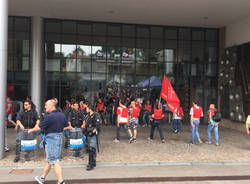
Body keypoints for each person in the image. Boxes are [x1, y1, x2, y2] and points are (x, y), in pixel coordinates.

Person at [28, 100, 68, 184]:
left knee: (54, 161)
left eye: (46, 105)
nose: (45, 107)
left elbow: (39, 127)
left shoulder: (49, 117)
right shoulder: (62, 115)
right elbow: (66, 126)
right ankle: (42, 178)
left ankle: (61, 181)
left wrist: (31, 130)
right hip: (59, 138)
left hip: (51, 140)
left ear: (52, 106)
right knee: (50, 160)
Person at [83, 104, 100, 171]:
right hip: (87, 134)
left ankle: (91, 164)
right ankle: (93, 161)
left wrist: (93, 131)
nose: (86, 109)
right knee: (91, 148)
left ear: (90, 109)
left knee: (91, 149)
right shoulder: (87, 116)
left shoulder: (96, 115)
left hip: (92, 134)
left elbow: (97, 126)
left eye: (87, 108)